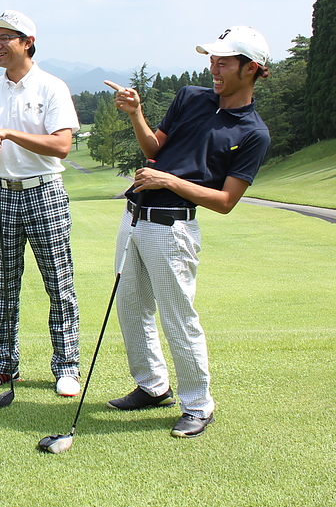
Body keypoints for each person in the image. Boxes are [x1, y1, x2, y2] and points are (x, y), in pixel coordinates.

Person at [104, 25, 271, 438]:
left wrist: (169, 182)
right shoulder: (191, 97)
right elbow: (154, 151)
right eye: (212, 59)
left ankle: (198, 404)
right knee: (130, 307)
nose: (214, 67)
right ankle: (152, 385)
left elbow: (226, 201)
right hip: (135, 216)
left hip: (173, 226)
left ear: (251, 69)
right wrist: (135, 114)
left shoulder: (253, 133)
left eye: (225, 62)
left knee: (179, 317)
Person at [0, 10, 82, 397]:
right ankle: (3, 364)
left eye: (4, 38)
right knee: (4, 283)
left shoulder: (51, 87)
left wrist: (10, 134)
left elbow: (61, 145)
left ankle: (66, 366)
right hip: (0, 193)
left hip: (44, 190)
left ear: (27, 42)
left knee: (57, 281)